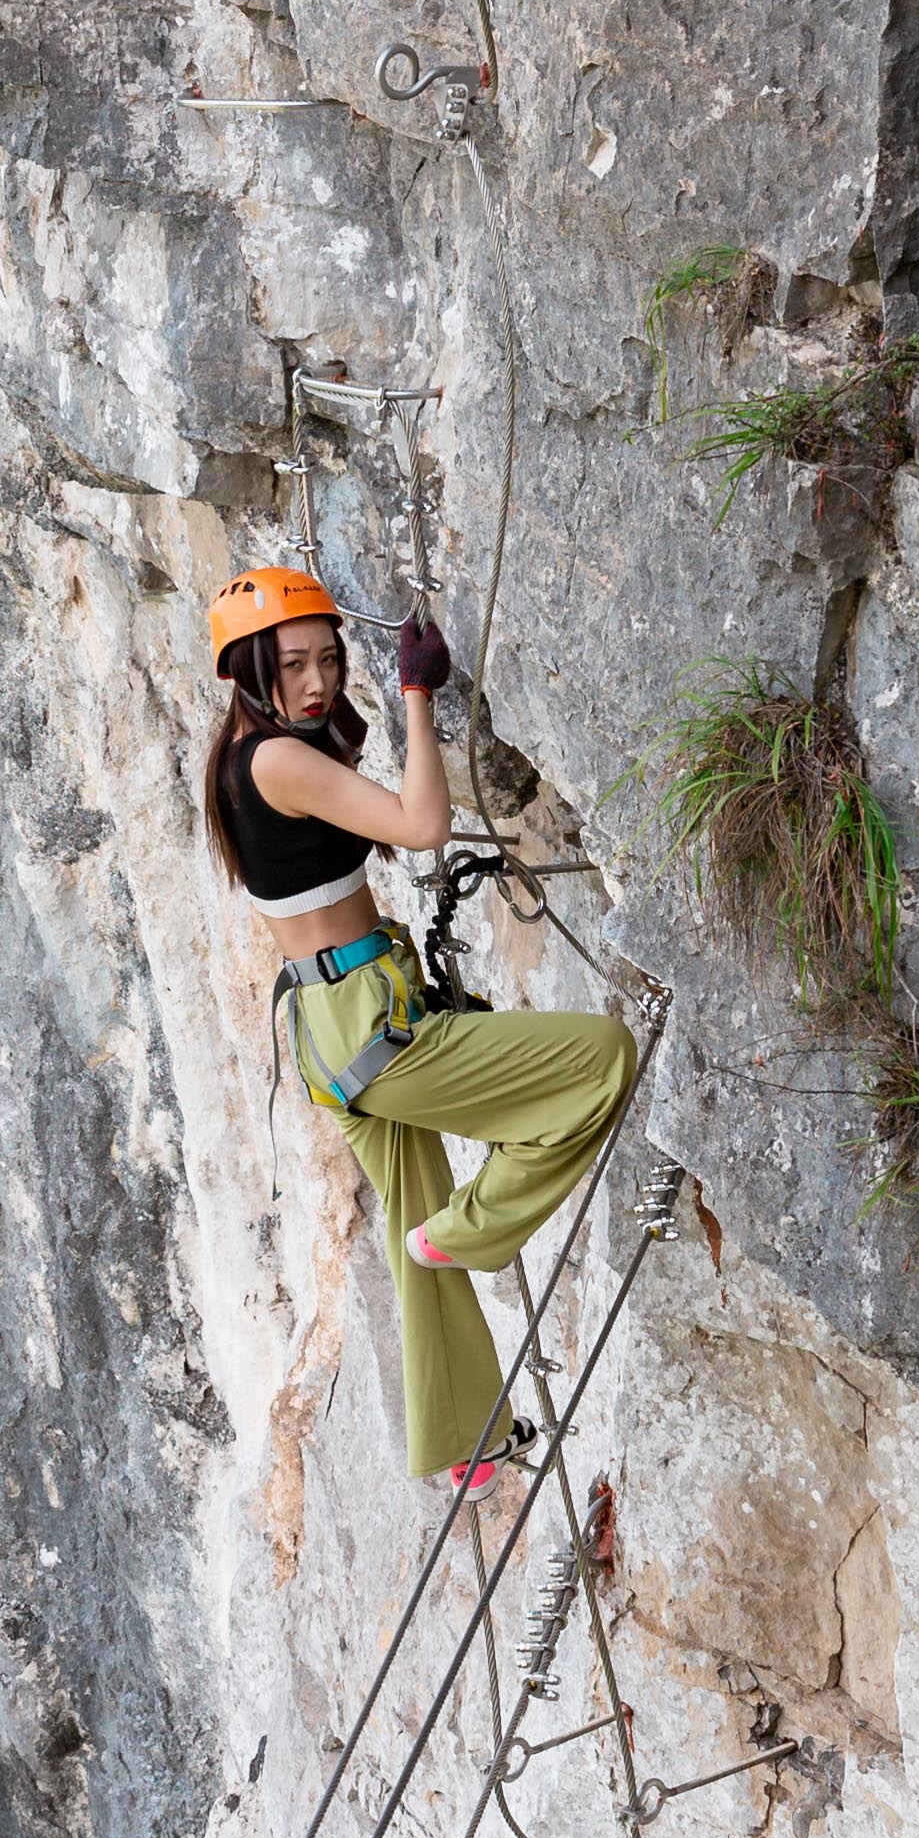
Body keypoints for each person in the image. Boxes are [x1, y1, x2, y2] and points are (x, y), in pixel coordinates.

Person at [202, 561, 638, 1492]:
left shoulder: (257, 754)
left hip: (338, 1024)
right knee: (603, 1058)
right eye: (295, 665)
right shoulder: (275, 760)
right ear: (248, 670)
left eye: (328, 660)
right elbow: (423, 824)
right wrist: (414, 695)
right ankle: (477, 1229)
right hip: (371, 1024)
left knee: (412, 1228)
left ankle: (462, 1443)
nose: (318, 682)